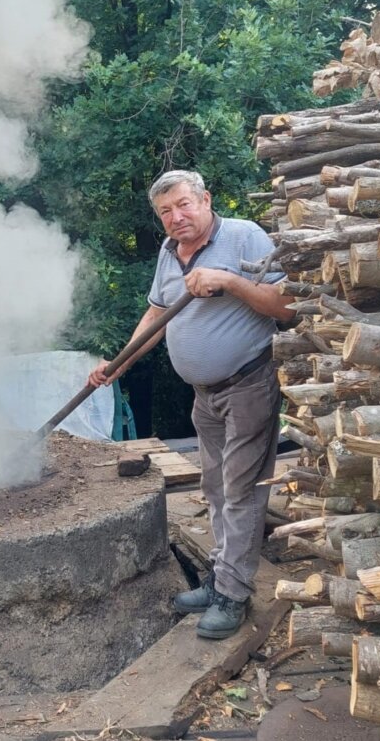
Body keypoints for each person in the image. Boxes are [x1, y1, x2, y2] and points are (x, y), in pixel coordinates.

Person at [89, 170, 293, 640]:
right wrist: (121, 361)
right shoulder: (168, 252)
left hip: (248, 384)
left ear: (205, 199)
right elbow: (158, 314)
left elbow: (286, 305)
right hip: (204, 396)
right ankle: (222, 577)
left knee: (241, 490)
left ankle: (233, 596)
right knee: (216, 487)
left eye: (184, 205)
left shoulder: (243, 236)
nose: (176, 217)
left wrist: (229, 280)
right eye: (165, 211)